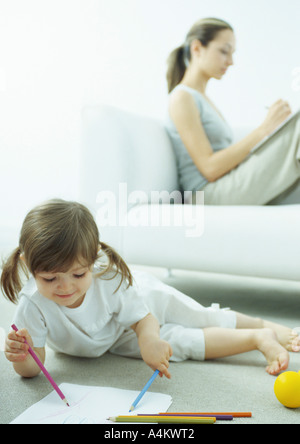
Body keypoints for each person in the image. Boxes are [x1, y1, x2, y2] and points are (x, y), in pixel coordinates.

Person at [1, 199, 300, 378]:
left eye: (78, 274)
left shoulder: (109, 277)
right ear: (30, 266)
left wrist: (149, 339)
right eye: (50, 279)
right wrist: (22, 357)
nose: (65, 287)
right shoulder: (32, 303)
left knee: (198, 315)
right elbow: (33, 370)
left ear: (93, 260)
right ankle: (257, 338)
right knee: (181, 344)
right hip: (112, 339)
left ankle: (261, 322)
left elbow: (143, 319)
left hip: (143, 305)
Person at [165, 18, 300, 205]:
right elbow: (209, 168)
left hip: (227, 182)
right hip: (207, 193)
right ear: (197, 48)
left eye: (232, 53)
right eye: (224, 51)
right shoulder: (182, 97)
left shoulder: (203, 99)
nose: (230, 62)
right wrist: (264, 130)